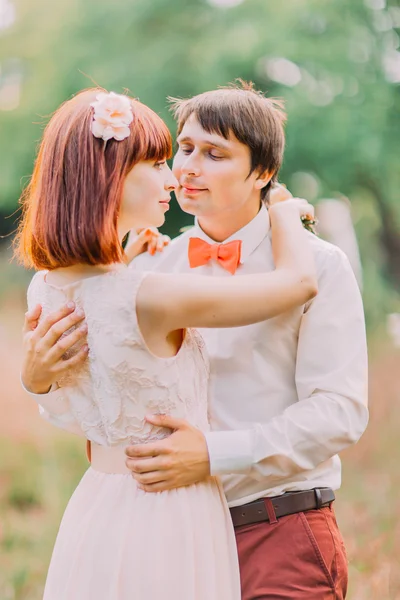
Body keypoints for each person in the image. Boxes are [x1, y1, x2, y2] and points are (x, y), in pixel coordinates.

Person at [17, 88, 318, 600]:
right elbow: (297, 286)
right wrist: (286, 218)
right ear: (106, 178)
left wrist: (34, 379)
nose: (173, 176)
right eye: (157, 163)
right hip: (170, 511)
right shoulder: (150, 294)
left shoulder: (45, 286)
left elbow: (89, 403)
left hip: (99, 508)